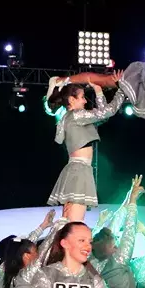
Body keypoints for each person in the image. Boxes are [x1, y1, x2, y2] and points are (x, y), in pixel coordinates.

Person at [43, 72, 127, 222]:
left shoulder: (71, 118)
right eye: (82, 97)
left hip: (77, 169)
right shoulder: (76, 115)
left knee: (68, 221)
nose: (85, 102)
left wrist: (101, 92)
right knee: (74, 223)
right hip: (79, 170)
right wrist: (120, 89)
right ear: (71, 99)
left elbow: (104, 116)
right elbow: (107, 112)